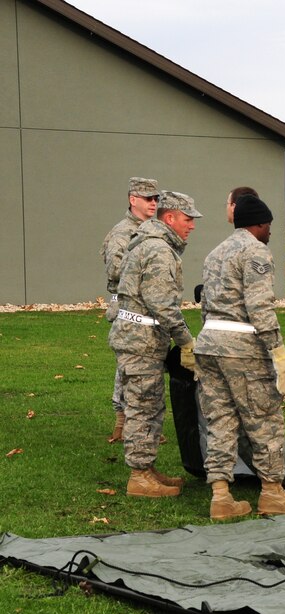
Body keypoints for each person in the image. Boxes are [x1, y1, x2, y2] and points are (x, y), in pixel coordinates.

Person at [193, 195, 285, 520]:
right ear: (259, 224)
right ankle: (273, 493)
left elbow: (205, 302)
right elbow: (260, 306)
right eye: (269, 226)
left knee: (220, 420)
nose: (270, 232)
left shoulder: (215, 253)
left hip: (208, 342)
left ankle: (221, 496)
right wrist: (278, 352)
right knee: (265, 420)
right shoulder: (256, 251)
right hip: (242, 346)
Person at [108, 191, 200, 497]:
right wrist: (186, 341)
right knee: (143, 405)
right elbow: (161, 302)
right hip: (141, 340)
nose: (192, 226)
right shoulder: (158, 250)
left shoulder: (150, 243)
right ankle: (139, 476)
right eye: (188, 219)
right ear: (170, 218)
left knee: (149, 403)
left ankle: (146, 468)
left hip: (142, 338)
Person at [101, 177, 159, 443]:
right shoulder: (123, 233)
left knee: (142, 365)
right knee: (128, 367)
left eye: (156, 199)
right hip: (127, 305)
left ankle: (141, 423)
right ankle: (123, 422)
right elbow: (114, 270)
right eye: (148, 198)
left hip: (145, 305)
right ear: (132, 199)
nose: (154, 203)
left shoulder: (151, 229)